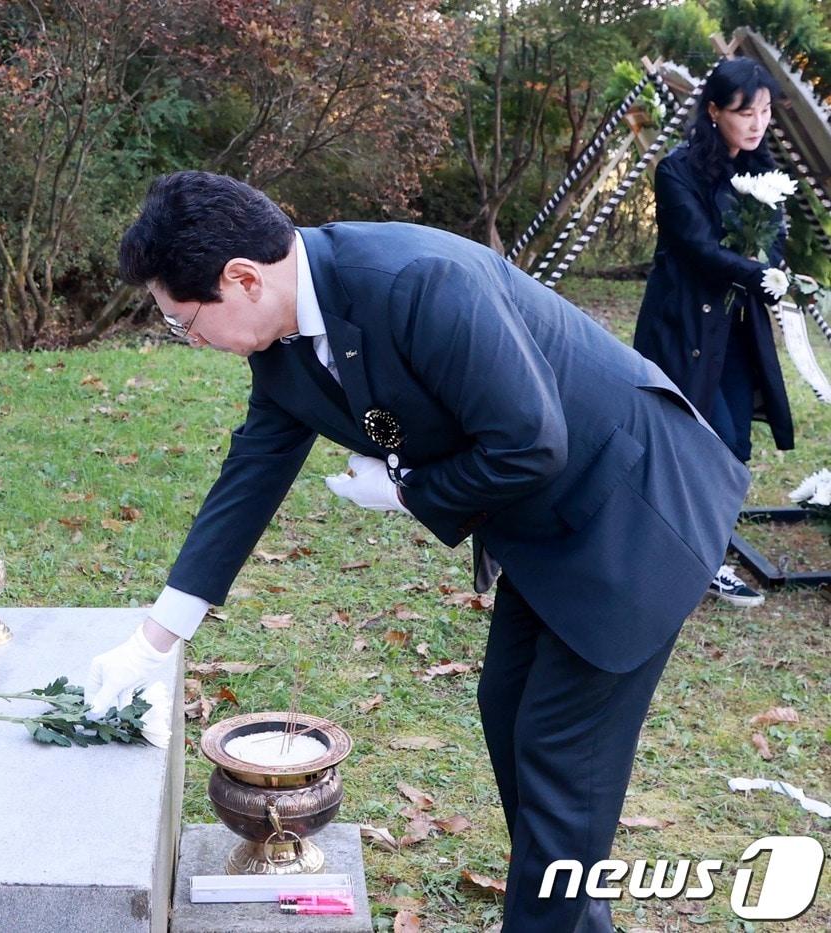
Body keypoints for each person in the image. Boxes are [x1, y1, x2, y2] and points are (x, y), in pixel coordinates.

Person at [85, 171, 749, 932]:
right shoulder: (286, 342)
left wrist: (407, 489)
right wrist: (153, 642)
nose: (189, 337)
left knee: (561, 755)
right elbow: (250, 477)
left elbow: (531, 441)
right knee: (508, 711)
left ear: (241, 279)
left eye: (184, 320)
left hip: (634, 510)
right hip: (545, 525)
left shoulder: (414, 281)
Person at [634, 57, 792, 609]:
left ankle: (702, 551)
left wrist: (775, 270)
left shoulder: (760, 171)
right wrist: (759, 273)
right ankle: (699, 561)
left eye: (765, 112)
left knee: (736, 445)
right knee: (705, 441)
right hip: (685, 327)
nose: (756, 123)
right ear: (713, 111)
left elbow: (774, 241)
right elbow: (698, 249)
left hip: (737, 333)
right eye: (744, 112)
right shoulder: (677, 170)